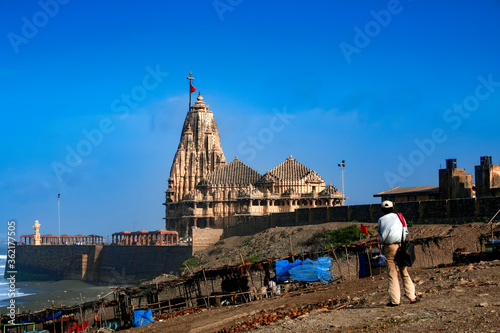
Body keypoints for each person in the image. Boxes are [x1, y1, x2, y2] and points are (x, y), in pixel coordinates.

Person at [377, 200, 418, 306]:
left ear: (382, 210)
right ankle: (412, 296)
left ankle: (395, 301)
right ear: (393, 208)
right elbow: (405, 230)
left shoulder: (381, 220)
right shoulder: (400, 217)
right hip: (401, 246)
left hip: (389, 247)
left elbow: (381, 234)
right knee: (404, 271)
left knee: (392, 274)